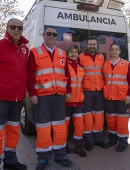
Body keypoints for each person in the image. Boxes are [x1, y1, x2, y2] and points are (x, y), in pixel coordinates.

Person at [27, 26, 72, 170]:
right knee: (43, 127)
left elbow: (67, 74)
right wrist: (32, 93)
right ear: (44, 35)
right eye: (49, 34)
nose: (51, 36)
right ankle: (43, 157)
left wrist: (68, 90)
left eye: (54, 34)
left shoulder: (62, 53)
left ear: (56, 37)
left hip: (59, 96)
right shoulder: (34, 52)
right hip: (42, 97)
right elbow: (29, 75)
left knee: (59, 126)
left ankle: (60, 155)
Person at [0, 18, 29, 170]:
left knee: (13, 131)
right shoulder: (0, 45)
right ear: (7, 28)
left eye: (19, 27)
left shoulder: (25, 49)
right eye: (13, 27)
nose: (17, 30)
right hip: (1, 98)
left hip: (18, 99)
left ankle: (10, 162)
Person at [102, 43, 130, 152]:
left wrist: (129, 95)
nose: (114, 51)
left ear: (119, 51)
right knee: (111, 120)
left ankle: (123, 142)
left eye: (116, 49)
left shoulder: (126, 64)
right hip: (109, 98)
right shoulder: (105, 64)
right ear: (110, 52)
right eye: (112, 49)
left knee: (122, 121)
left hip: (122, 97)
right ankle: (112, 140)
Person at [79, 36, 108, 151]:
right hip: (86, 91)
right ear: (86, 45)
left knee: (99, 115)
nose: (92, 46)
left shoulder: (101, 57)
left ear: (97, 45)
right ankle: (88, 141)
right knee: (87, 116)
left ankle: (98, 139)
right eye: (90, 44)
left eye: (94, 44)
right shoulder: (80, 57)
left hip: (99, 91)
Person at [65, 45, 86, 157]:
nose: (74, 54)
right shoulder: (64, 67)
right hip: (66, 102)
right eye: (71, 52)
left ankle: (78, 146)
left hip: (78, 101)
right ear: (67, 53)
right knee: (65, 125)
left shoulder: (80, 68)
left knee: (79, 125)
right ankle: (64, 145)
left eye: (76, 52)